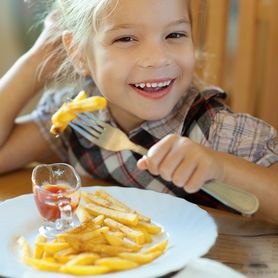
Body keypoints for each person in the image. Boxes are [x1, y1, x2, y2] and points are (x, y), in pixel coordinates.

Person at [0, 0, 278, 223]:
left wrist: (221, 166)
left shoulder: (213, 129)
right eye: (126, 38)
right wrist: (34, 64)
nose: (158, 58)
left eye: (175, 34)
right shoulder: (76, 116)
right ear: (79, 54)